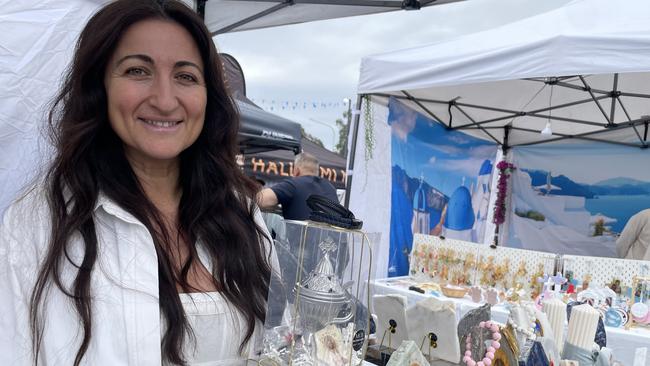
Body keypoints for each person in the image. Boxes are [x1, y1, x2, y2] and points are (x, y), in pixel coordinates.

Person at [0, 1, 277, 365]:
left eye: (185, 76)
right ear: (99, 86)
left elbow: (272, 344)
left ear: (209, 97)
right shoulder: (36, 226)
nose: (164, 100)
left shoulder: (243, 215)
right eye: (137, 70)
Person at [258, 152, 338, 220]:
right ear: (317, 171)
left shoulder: (294, 185)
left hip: (300, 237)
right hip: (328, 237)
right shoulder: (331, 188)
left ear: (296, 170)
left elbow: (259, 199)